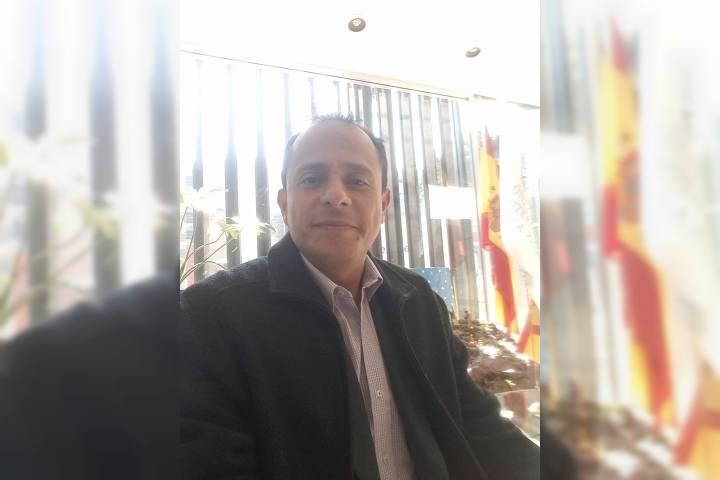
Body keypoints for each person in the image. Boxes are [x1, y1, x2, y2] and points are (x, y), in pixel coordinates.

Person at [180, 114, 539, 479]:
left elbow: (478, 425)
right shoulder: (213, 314)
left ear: (383, 205)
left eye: (357, 181)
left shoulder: (418, 301)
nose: (336, 196)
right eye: (312, 179)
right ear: (285, 204)